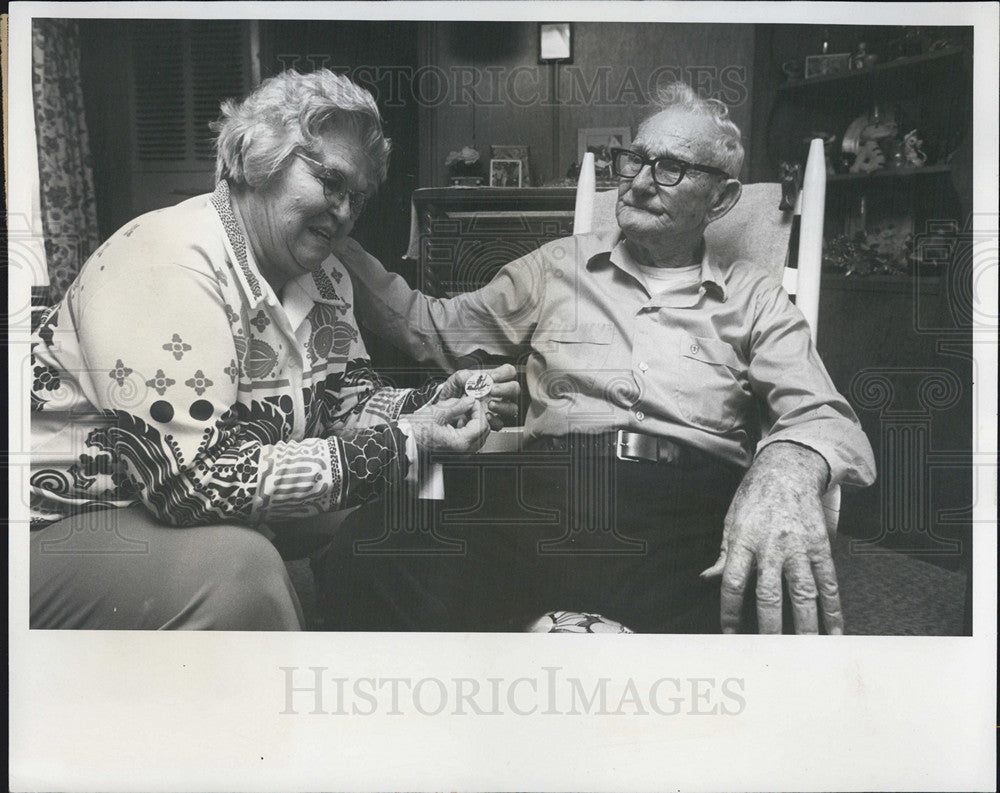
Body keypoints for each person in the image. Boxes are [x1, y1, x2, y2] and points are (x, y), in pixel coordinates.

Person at [331, 82, 877, 634]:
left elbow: (825, 417)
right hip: (545, 492)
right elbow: (430, 327)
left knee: (771, 606)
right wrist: (332, 240)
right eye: (634, 159)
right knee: (365, 552)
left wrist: (785, 469)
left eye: (670, 168)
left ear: (722, 199)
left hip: (687, 512)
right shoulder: (558, 266)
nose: (640, 182)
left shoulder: (752, 296)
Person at [28, 69, 517, 630]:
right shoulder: (165, 263)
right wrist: (406, 442)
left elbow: (344, 401)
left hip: (182, 516)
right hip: (71, 525)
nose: (343, 212)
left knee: (421, 498)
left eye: (357, 197)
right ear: (258, 156)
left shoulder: (328, 277)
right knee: (240, 569)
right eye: (330, 182)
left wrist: (430, 406)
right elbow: (191, 483)